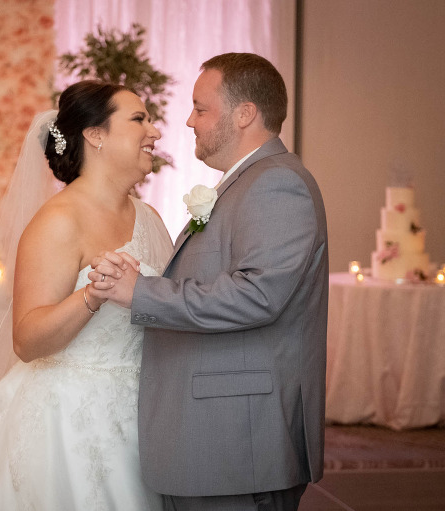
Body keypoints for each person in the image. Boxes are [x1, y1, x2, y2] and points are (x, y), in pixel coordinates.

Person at [0, 80, 173, 510]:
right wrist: (91, 296)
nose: (155, 131)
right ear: (95, 135)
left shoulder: (150, 218)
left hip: (144, 418)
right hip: (67, 428)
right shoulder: (58, 221)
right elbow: (27, 340)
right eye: (138, 119)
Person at [89, 53, 329, 510]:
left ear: (244, 114)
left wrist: (139, 291)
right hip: (216, 438)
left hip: (239, 439)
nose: (188, 120)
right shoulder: (246, 183)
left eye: (201, 108)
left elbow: (257, 295)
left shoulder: (277, 184)